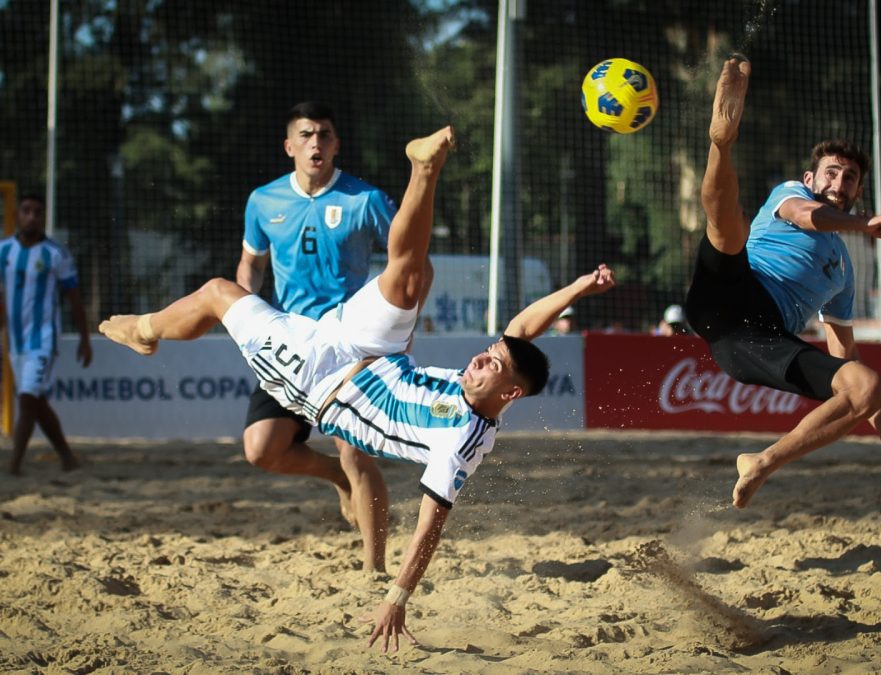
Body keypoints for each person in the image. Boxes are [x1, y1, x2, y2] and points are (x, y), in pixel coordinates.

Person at [99, 127, 617, 650]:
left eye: (493, 367)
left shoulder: (460, 441)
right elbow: (522, 331)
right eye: (491, 353)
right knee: (411, 275)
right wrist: (579, 287)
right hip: (371, 348)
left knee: (217, 292)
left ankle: (145, 331)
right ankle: (424, 165)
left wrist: (397, 596)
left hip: (317, 380)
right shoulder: (491, 377)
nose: (483, 357)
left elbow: (430, 526)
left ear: (508, 395)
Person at [683, 57, 881, 509]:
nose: (840, 181)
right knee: (726, 226)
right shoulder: (790, 194)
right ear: (812, 177)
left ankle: (761, 463)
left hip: (753, 343)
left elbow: (843, 354)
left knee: (864, 383)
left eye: (850, 178)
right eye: (832, 172)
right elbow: (807, 216)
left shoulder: (844, 272)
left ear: (858, 190)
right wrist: (862, 223)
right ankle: (721, 144)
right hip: (733, 289)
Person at [238, 101, 401, 571]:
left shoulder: (364, 199)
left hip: (350, 345)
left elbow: (406, 258)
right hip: (288, 340)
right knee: (261, 450)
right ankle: (332, 474)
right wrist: (251, 316)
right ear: (289, 146)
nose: (316, 142)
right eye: (307, 135)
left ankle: (374, 570)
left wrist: (398, 318)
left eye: (325, 135)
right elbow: (251, 263)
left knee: (356, 454)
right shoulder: (263, 201)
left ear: (336, 145)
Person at [0, 194, 92, 475]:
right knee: (36, 402)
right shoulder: (3, 250)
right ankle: (67, 457)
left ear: (43, 218)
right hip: (15, 341)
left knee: (27, 399)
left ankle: (14, 466)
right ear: (17, 215)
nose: (32, 216)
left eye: (38, 212)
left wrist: (85, 339)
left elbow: (75, 299)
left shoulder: (56, 254)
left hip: (43, 339)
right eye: (26, 211)